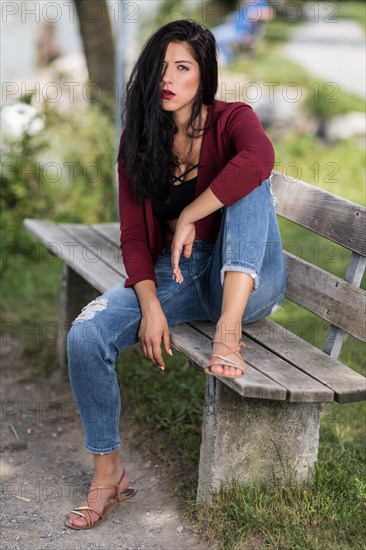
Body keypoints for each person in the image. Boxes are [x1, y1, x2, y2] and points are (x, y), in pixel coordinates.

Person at [65, 19, 286, 530]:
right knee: (85, 334)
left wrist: (190, 213)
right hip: (183, 275)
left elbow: (260, 158)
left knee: (249, 177)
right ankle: (108, 474)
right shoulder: (139, 142)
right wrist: (150, 304)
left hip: (250, 279)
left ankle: (227, 336)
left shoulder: (233, 121)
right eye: (161, 68)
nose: (169, 78)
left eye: (182, 68)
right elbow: (135, 238)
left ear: (202, 77)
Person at [213, 0, 275, 65]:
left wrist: (257, 14)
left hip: (240, 33)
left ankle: (226, 59)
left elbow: (270, 14)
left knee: (213, 37)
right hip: (233, 26)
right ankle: (225, 58)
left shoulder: (261, 2)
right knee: (212, 34)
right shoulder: (248, 2)